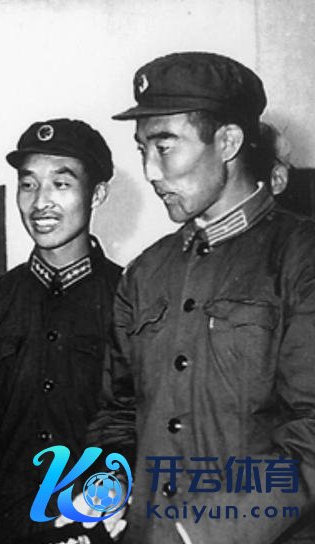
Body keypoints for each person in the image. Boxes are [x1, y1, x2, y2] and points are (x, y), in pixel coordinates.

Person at [92, 51, 315, 543]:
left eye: (164, 147)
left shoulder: (302, 258)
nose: (150, 171)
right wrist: (105, 488)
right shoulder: (144, 273)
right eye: (142, 150)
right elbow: (118, 414)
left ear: (228, 141)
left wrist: (202, 531)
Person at [0, 118, 121, 543]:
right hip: (4, 529)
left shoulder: (131, 297)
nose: (40, 203)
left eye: (61, 184)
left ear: (97, 194)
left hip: (97, 527)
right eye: (28, 185)